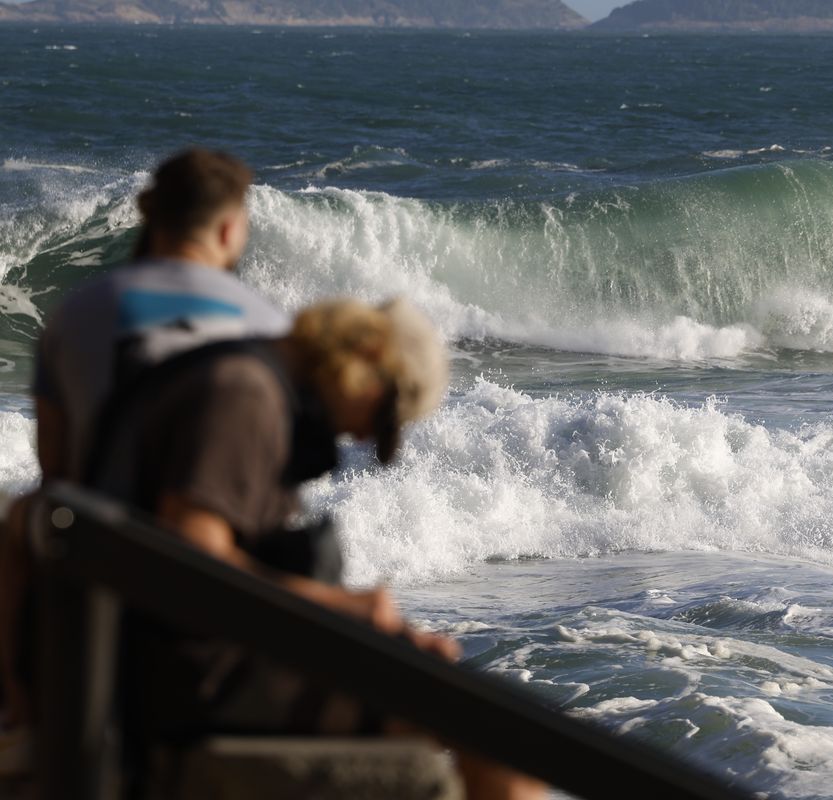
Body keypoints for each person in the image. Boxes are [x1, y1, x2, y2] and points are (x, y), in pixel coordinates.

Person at [86, 296, 544, 799]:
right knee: (497, 738)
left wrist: (379, 631)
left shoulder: (248, 380)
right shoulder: (245, 394)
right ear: (366, 354)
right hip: (197, 678)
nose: (364, 435)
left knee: (479, 717)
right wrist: (348, 608)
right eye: (383, 414)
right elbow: (192, 561)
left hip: (189, 662)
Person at [3, 147, 286, 730]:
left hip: (92, 589)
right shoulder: (268, 328)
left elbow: (57, 471)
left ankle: (20, 705)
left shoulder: (75, 315)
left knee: (22, 517)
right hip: (215, 624)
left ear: (153, 216)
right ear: (229, 228)